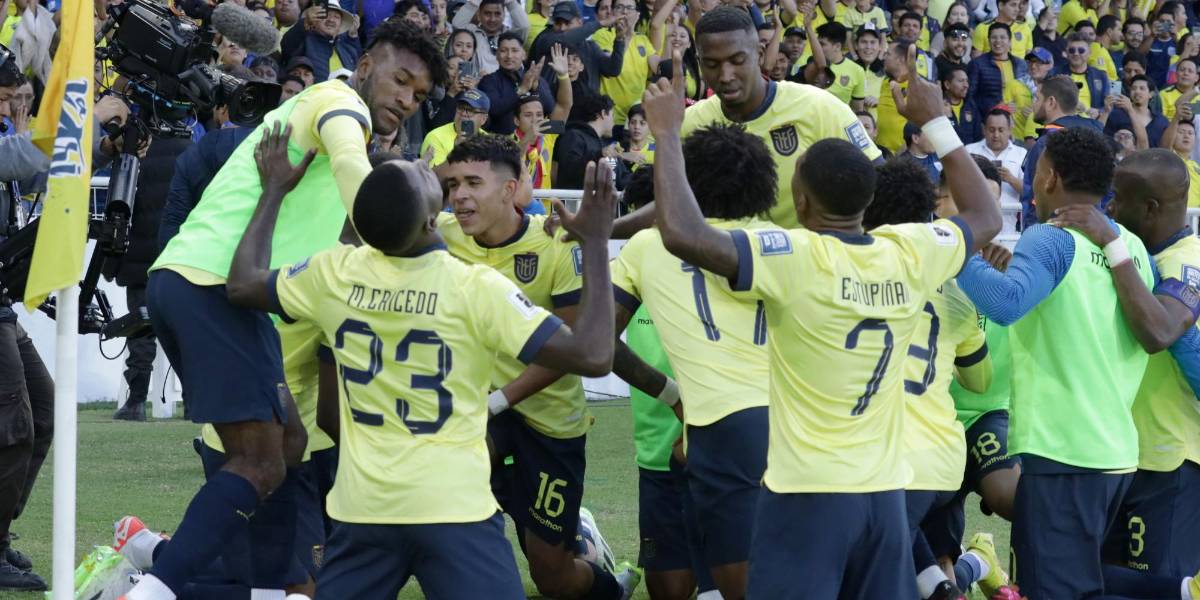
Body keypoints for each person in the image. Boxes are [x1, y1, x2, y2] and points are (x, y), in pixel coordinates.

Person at [639, 41, 1001, 598]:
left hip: (807, 495)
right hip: (884, 497)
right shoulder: (909, 251)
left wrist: (667, 135)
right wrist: (935, 121)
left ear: (801, 204)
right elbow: (986, 215)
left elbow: (685, 235)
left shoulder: (793, 258)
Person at [117, 20, 448, 600]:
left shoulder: (320, 115)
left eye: (419, 96)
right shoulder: (339, 103)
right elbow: (351, 167)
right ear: (365, 64)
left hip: (211, 291)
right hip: (214, 286)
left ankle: (161, 562)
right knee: (263, 463)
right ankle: (154, 590)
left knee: (287, 446)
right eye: (401, 80)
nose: (406, 99)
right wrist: (412, 252)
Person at [223, 125, 618, 600]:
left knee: (550, 565)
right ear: (432, 220)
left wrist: (273, 193)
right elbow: (595, 354)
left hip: (365, 511)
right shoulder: (474, 287)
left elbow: (242, 283)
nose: (428, 167)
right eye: (426, 176)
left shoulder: (334, 273)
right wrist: (596, 241)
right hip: (454, 510)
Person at [955, 125, 1157, 600]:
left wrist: (953, 248)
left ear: (1049, 177)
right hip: (1116, 455)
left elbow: (1005, 304)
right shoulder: (1129, 246)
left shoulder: (1052, 236)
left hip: (1063, 455)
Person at [437, 134, 641, 600]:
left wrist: (500, 398)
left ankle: (606, 577)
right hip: (477, 414)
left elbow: (574, 347)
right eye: (453, 185)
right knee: (453, 482)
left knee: (553, 579)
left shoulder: (554, 245)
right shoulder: (438, 238)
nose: (460, 195)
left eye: (473, 182)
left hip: (549, 421)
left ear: (510, 191)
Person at [611, 122, 775, 600]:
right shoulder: (783, 239)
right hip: (791, 424)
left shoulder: (647, 247)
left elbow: (596, 342)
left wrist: (670, 393)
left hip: (719, 429)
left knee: (733, 582)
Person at [1044, 150, 1200, 586]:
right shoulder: (1135, 256)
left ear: (1150, 208)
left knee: (1157, 586)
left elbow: (1159, 332)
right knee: (1098, 582)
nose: (1109, 208)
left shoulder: (1186, 262)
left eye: (1119, 199)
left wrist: (1111, 241)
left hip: (1167, 458)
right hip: (1121, 452)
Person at [861, 156, 1012, 600]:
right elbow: (979, 381)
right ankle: (964, 572)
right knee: (926, 566)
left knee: (870, 565)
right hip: (945, 456)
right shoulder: (960, 286)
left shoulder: (855, 265)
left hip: (893, 458)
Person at [619, 6, 881, 231]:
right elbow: (669, 203)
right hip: (725, 274)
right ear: (698, 61)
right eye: (711, 64)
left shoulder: (820, 108)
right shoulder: (689, 122)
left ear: (759, 52)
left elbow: (877, 181)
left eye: (737, 60)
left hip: (804, 277)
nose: (725, 75)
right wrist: (599, 230)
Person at [0, 47, 50, 593]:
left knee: (45, 413)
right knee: (13, 428)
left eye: (16, 88)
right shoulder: (8, 141)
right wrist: (80, 130)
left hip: (3, 303)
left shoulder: (8, 133)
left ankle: (1, 534)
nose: (14, 96)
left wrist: (102, 150)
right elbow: (25, 160)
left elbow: (35, 178)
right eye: (5, 88)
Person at [111, 132, 193, 422]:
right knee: (185, 331)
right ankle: (193, 401)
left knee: (141, 331)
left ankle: (135, 402)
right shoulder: (191, 148)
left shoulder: (136, 148)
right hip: (179, 255)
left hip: (138, 255)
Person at [1018, 75, 1102, 226]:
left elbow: (1034, 198)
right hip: (1094, 232)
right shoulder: (1099, 136)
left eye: (1037, 98)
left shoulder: (1048, 143)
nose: (1033, 104)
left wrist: (1030, 235)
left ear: (1051, 102)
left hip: (1051, 233)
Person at [479, 33, 569, 135]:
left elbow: (549, 109)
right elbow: (494, 110)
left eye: (515, 51)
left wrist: (536, 86)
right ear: (497, 55)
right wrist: (521, 90)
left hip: (536, 143)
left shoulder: (536, 79)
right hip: (503, 143)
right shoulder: (489, 81)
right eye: (504, 51)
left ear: (524, 55)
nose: (509, 56)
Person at [530, 2, 624, 95]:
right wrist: (600, 23)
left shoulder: (590, 47)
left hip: (586, 106)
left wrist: (619, 40)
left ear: (580, 22)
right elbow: (565, 39)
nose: (562, 28)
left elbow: (613, 70)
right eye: (558, 23)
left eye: (567, 23)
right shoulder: (545, 39)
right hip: (553, 106)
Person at [966, 107, 1025, 232]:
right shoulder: (969, 151)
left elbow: (1030, 192)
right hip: (975, 225)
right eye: (991, 130)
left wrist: (1011, 179)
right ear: (984, 129)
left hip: (1009, 227)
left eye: (1001, 130)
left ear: (1010, 130)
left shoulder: (1022, 154)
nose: (996, 135)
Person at [553, 93, 623, 189]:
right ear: (603, 113)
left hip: (599, 202)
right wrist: (600, 154)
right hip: (575, 202)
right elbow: (569, 170)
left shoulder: (604, 145)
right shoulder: (573, 136)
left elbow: (621, 178)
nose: (614, 121)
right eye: (612, 115)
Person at [280, 3, 362, 83]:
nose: (331, 20)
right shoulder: (305, 41)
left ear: (340, 24)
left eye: (336, 17)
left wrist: (353, 37)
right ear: (315, 19)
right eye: (326, 15)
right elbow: (287, 47)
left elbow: (360, 69)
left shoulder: (347, 49)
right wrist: (305, 22)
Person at [967, 23, 1028, 124]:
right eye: (994, 37)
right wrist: (998, 107)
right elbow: (970, 97)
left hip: (1018, 121)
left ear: (1009, 41)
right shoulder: (977, 64)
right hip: (989, 121)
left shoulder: (1021, 64)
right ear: (989, 40)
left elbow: (1028, 92)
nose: (998, 41)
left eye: (1002, 37)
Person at [420, 89, 492, 166]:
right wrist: (457, 151)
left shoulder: (488, 141)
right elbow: (436, 176)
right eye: (460, 108)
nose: (463, 113)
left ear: (483, 119)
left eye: (471, 110)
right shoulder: (436, 137)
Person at [808, 22, 867, 109]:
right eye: (817, 43)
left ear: (837, 46)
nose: (817, 47)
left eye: (822, 44)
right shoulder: (810, 65)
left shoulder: (857, 71)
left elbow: (857, 109)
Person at [1103, 74, 1170, 148]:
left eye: (1142, 88)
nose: (1137, 91)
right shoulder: (1116, 115)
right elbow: (1106, 141)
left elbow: (1165, 147)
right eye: (1134, 88)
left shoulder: (1161, 121)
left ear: (1151, 94)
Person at [1055, 33, 1110, 118]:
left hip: (1091, 125)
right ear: (1066, 53)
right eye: (1072, 50)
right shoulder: (1055, 73)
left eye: (1081, 50)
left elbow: (1109, 104)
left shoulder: (1101, 76)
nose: (1076, 53)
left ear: (1089, 53)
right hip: (1063, 123)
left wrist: (1099, 112)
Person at [941, 64, 981, 143]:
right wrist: (949, 118)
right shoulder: (938, 106)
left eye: (967, 81)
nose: (966, 85)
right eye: (961, 81)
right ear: (947, 85)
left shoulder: (971, 106)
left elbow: (978, 137)